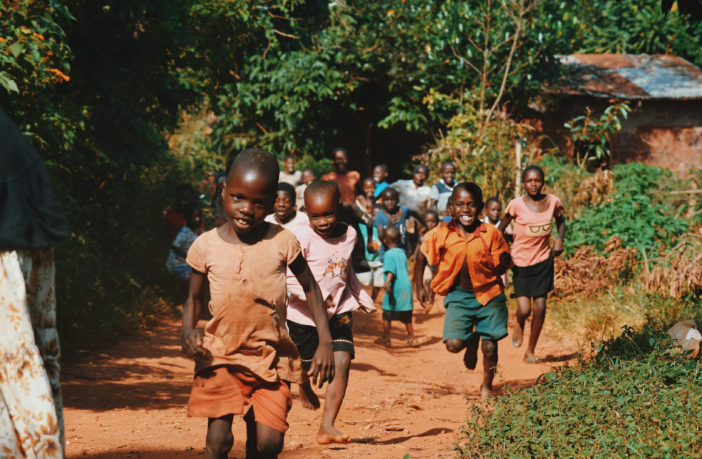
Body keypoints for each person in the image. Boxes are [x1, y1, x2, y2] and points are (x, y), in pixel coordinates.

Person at [181, 148, 335, 459]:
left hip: (271, 356)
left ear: (272, 202)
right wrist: (187, 330)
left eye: (258, 202)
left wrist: (325, 341)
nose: (246, 209)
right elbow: (193, 298)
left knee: (268, 445)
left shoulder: (282, 241)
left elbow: (311, 288)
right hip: (220, 354)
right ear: (224, 190)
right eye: (238, 197)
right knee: (218, 442)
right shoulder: (205, 245)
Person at [0, 107, 70, 458]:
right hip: (27, 245)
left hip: (8, 257)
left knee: (19, 364)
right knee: (34, 358)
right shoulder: (12, 135)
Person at [285, 181, 376, 445]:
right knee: (311, 368)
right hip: (304, 316)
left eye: (328, 214)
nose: (323, 222)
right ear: (305, 212)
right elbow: (288, 278)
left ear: (338, 207)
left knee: (342, 360)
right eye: (315, 216)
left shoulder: (350, 234)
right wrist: (314, 297)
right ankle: (303, 382)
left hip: (340, 309)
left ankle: (327, 426)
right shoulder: (300, 238)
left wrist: (360, 295)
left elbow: (346, 270)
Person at [414, 183, 512, 400]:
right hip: (459, 295)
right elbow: (422, 254)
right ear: (451, 207)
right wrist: (418, 285)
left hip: (489, 295)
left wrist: (504, 262)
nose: (466, 210)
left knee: (490, 348)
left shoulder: (491, 233)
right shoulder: (442, 232)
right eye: (460, 204)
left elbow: (500, 266)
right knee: (453, 345)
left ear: (481, 208)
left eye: (471, 205)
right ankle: (471, 339)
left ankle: (487, 385)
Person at [498, 165, 566, 364]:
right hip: (520, 263)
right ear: (524, 183)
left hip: (543, 261)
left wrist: (559, 239)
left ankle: (530, 351)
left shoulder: (553, 202)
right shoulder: (516, 205)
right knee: (525, 309)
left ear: (543, 182)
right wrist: (505, 252)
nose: (533, 184)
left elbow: (561, 222)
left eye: (537, 180)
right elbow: (500, 229)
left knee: (540, 307)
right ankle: (519, 321)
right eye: (529, 181)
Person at [379, 226, 416, 347]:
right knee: (406, 315)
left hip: (395, 287)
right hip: (406, 287)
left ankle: (386, 338)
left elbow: (391, 271)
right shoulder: (402, 253)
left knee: (387, 313)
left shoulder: (388, 254)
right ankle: (411, 337)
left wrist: (386, 283)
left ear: (385, 241)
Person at [371, 187, 425, 259]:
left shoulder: (403, 210)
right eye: (386, 200)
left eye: (393, 199)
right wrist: (390, 224)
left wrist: (425, 226)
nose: (390, 202)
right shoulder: (379, 216)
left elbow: (415, 213)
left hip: (402, 249)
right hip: (386, 252)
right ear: (382, 201)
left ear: (397, 200)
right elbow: (381, 237)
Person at [166, 202, 204, 305]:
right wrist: (188, 256)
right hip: (177, 263)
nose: (198, 220)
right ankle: (179, 302)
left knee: (188, 283)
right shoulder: (185, 231)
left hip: (186, 264)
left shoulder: (198, 231)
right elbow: (175, 246)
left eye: (200, 217)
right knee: (188, 282)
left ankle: (182, 302)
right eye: (194, 217)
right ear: (187, 218)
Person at [357, 204, 383, 301]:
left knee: (378, 283)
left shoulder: (384, 228)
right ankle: (361, 300)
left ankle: (372, 300)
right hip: (365, 260)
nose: (376, 218)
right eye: (373, 215)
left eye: (379, 216)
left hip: (379, 261)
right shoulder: (363, 226)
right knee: (364, 282)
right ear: (370, 215)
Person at [415, 209, 440, 308]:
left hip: (437, 265)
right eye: (427, 221)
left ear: (437, 222)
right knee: (427, 279)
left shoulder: (440, 236)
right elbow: (419, 249)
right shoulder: (422, 236)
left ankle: (432, 296)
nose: (430, 224)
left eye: (433, 221)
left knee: (434, 283)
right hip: (426, 264)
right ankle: (427, 298)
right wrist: (414, 255)